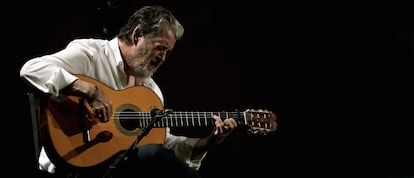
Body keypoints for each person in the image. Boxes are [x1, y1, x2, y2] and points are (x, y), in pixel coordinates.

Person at [20, 5, 238, 178]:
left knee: (155, 155)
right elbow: (31, 69)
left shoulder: (150, 89)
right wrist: (90, 90)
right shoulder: (92, 54)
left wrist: (206, 143)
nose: (162, 58)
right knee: (152, 155)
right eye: (160, 47)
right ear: (137, 35)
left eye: (168, 53)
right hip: (73, 166)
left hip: (126, 172)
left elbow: (163, 143)